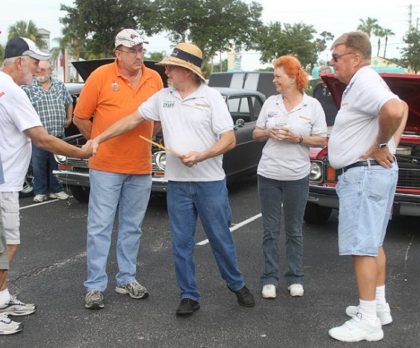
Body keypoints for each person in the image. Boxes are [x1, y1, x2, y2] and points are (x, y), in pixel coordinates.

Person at [87, 42, 256, 317]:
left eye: (171, 67)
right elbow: (131, 120)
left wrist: (202, 155)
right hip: (177, 184)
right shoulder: (163, 97)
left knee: (220, 237)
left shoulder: (211, 97)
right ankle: (188, 295)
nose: (165, 70)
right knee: (181, 242)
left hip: (210, 183)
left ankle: (236, 284)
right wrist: (100, 138)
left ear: (187, 71)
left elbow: (229, 139)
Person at [0, 36, 92, 335]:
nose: (39, 67)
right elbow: (40, 138)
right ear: (18, 62)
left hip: (6, 181)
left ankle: (2, 299)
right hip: (4, 184)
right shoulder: (13, 92)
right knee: (7, 246)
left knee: (6, 245)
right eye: (34, 60)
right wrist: (82, 151)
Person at [72, 29, 163, 310]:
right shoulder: (100, 76)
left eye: (141, 49)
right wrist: (98, 140)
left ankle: (126, 279)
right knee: (99, 227)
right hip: (106, 166)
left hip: (140, 166)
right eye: (132, 50)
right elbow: (79, 117)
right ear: (118, 53)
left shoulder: (154, 78)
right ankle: (95, 286)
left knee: (132, 227)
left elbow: (157, 120)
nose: (139, 54)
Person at [326, 31, 408, 342]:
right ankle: (379, 308)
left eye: (336, 57)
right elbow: (403, 106)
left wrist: (382, 145)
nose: (332, 63)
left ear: (355, 58)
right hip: (371, 173)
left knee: (362, 247)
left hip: (363, 174)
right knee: (373, 243)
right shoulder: (365, 83)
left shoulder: (364, 80)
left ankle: (368, 320)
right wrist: (388, 145)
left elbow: (394, 110)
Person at [252, 56, 328, 300]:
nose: (274, 80)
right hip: (268, 174)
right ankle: (269, 278)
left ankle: (295, 277)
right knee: (270, 230)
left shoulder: (312, 106)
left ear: (294, 78)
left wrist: (298, 139)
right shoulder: (271, 103)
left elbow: (322, 139)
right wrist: (268, 131)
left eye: (278, 76)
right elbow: (255, 133)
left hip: (297, 176)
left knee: (294, 229)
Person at [22, 60, 73, 203]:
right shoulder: (28, 88)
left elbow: (69, 102)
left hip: (58, 134)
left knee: (57, 164)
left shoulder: (59, 85)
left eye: (44, 70)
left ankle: (57, 190)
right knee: (39, 165)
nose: (40, 73)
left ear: (51, 70)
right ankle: (40, 191)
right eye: (38, 70)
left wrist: (69, 118)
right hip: (39, 136)